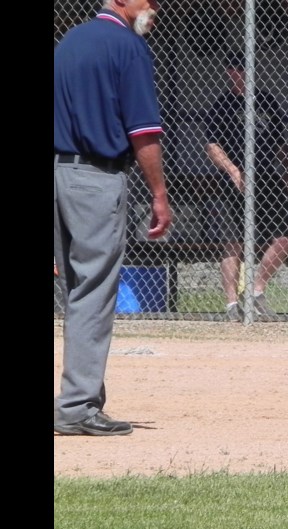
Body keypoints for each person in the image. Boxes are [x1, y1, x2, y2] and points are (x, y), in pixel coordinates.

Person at [54, 0, 172, 436]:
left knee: (75, 289)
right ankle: (77, 406)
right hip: (95, 179)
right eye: (149, 0)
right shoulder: (127, 46)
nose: (155, 8)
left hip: (58, 173)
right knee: (95, 290)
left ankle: (77, 398)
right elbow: (143, 130)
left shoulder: (69, 40)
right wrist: (159, 193)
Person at [203, 52, 288, 320]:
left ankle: (256, 290)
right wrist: (233, 170)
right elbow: (212, 145)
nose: (238, 75)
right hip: (235, 180)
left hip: (267, 176)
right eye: (233, 70)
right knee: (233, 243)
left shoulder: (266, 100)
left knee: (284, 238)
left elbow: (280, 143)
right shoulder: (222, 105)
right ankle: (232, 305)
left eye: (243, 69)